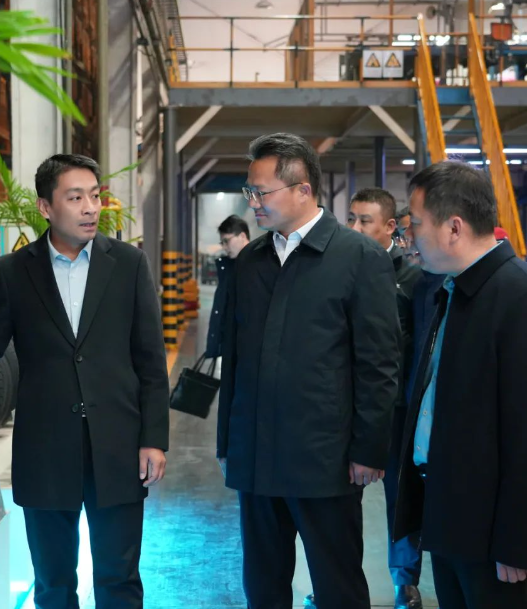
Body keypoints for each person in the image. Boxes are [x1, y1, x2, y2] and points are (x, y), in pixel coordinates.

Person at [0, 154, 170, 609]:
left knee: (119, 577)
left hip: (117, 446)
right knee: (53, 582)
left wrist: (153, 439)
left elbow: (150, 358)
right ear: (46, 207)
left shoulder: (128, 264)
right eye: (76, 197)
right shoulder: (12, 272)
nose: (91, 207)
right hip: (46, 448)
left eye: (95, 196)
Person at [217, 133, 401, 609]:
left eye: (262, 191)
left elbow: (379, 363)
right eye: (250, 191)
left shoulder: (358, 258)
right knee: (263, 586)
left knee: (338, 585)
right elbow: (235, 359)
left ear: (303, 190)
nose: (253, 202)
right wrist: (228, 444)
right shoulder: (250, 262)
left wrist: (369, 449)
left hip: (326, 461)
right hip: (256, 456)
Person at [394, 161, 527, 609]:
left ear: (454, 227)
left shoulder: (516, 296)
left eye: (415, 224)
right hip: (448, 513)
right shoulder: (453, 290)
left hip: (493, 536)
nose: (409, 236)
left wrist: (517, 539)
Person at [346, 188, 423, 609]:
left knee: (401, 496)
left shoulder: (414, 279)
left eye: (365, 220)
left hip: (398, 410)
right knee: (342, 501)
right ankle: (336, 578)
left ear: (391, 226)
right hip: (351, 407)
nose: (355, 228)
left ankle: (405, 581)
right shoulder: (341, 270)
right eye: (351, 219)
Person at [204, 215, 250, 359]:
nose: (224, 247)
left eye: (227, 241)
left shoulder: (258, 267)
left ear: (242, 236)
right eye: (222, 242)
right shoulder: (229, 267)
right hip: (229, 348)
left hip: (246, 351)